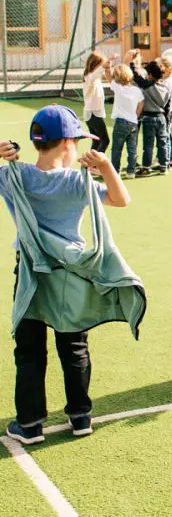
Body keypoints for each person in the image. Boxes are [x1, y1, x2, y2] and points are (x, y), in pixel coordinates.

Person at [0, 105, 143, 445]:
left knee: (30, 348)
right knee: (74, 344)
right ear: (67, 142)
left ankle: (30, 424)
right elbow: (122, 200)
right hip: (70, 272)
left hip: (32, 269)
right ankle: (80, 416)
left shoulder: (13, 176)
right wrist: (105, 166)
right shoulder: (78, 182)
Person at [130, 59, 170, 176]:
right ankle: (164, 165)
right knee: (162, 143)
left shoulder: (148, 86)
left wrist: (132, 65)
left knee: (148, 144)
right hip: (161, 117)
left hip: (149, 118)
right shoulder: (165, 88)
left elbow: (137, 78)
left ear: (150, 75)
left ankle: (146, 167)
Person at [109, 64, 144, 179]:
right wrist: (136, 115)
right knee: (132, 149)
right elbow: (141, 103)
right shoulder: (137, 90)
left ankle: (115, 171)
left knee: (116, 148)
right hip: (133, 122)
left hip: (121, 122)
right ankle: (131, 171)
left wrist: (107, 67)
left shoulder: (118, 88)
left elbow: (108, 76)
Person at [82, 51, 116, 152]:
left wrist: (108, 66)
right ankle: (96, 161)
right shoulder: (90, 77)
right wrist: (109, 60)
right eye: (101, 65)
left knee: (97, 141)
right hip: (93, 115)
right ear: (95, 65)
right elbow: (98, 72)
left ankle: (88, 162)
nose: (103, 68)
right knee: (105, 141)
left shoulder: (94, 78)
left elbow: (104, 73)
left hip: (92, 114)